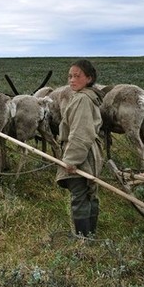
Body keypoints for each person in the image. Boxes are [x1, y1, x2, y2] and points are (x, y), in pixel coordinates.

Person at [56, 59, 104, 238]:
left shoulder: (82, 100)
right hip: (90, 152)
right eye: (70, 76)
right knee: (89, 192)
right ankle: (90, 234)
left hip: (82, 155)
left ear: (89, 78)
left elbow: (80, 133)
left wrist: (71, 160)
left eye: (77, 76)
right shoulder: (86, 97)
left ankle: (83, 237)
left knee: (80, 194)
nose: (72, 80)